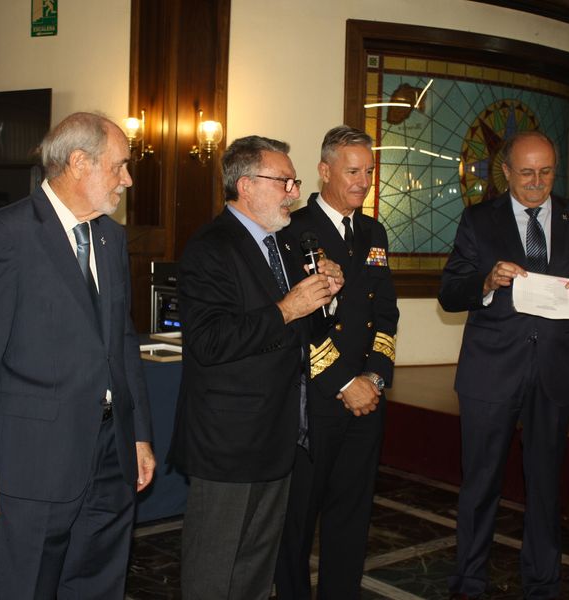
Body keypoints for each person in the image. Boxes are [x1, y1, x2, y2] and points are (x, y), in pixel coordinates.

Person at [0, 112, 156, 599]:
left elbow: (122, 343)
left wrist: (139, 434)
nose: (127, 179)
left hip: (111, 454)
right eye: (119, 166)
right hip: (35, 459)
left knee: (100, 583)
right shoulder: (7, 233)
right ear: (79, 163)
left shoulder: (110, 237)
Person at [168, 135, 344, 600]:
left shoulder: (284, 245)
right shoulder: (211, 246)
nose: (293, 192)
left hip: (278, 432)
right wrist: (286, 309)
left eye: (295, 182)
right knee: (214, 568)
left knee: (255, 567)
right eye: (284, 181)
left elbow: (302, 331)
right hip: (229, 440)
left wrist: (326, 295)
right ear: (245, 185)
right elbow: (209, 341)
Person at [438, 131, 569, 600]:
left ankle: (543, 582)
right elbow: (450, 292)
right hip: (490, 371)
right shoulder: (479, 219)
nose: (537, 182)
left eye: (547, 172)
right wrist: (486, 281)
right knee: (480, 483)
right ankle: (469, 581)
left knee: (546, 484)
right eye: (527, 172)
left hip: (553, 370)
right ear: (506, 172)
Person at [274, 125, 399, 600]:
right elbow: (297, 324)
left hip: (366, 397)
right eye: (352, 172)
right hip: (316, 398)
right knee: (298, 518)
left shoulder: (373, 231)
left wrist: (374, 377)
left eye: (369, 172)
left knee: (352, 515)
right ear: (324, 171)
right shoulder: (291, 230)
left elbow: (385, 313)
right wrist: (346, 382)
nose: (363, 182)